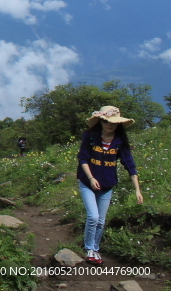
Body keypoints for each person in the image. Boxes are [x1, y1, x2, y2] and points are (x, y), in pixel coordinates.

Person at [77, 106, 144, 265]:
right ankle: (89, 249)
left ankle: (95, 249)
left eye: (113, 122)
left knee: (101, 220)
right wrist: (91, 178)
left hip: (107, 185)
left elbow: (129, 164)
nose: (110, 125)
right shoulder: (91, 136)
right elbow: (83, 158)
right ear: (101, 121)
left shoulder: (120, 141)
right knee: (93, 216)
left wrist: (137, 190)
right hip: (87, 183)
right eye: (107, 121)